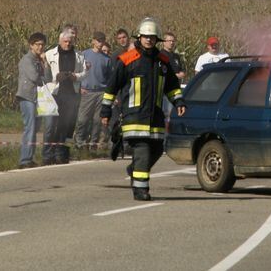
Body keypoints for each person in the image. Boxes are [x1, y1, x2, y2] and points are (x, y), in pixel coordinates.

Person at [101, 18, 186, 201]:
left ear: (157, 40)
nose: (149, 40)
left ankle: (134, 169)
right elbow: (111, 87)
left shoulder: (163, 61)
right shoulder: (127, 60)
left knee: (156, 150)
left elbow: (171, 86)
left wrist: (179, 102)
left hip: (155, 117)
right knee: (143, 150)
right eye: (145, 37)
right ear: (139, 37)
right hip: (134, 116)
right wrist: (105, 111)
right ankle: (141, 190)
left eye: (152, 37)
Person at [43, 30, 88, 165]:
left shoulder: (79, 55)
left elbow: (85, 72)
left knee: (66, 125)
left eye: (70, 42)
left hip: (71, 93)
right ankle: (48, 154)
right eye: (65, 42)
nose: (68, 44)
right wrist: (55, 77)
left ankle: (62, 153)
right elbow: (44, 73)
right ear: (60, 41)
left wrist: (76, 77)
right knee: (52, 125)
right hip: (55, 93)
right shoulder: (49, 54)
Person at [74, 32, 112, 151]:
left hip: (101, 92)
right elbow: (77, 72)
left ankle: (93, 144)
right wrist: (79, 87)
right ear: (93, 41)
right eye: (98, 40)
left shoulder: (106, 59)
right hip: (87, 91)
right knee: (82, 119)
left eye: (102, 40)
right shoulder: (84, 54)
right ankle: (79, 142)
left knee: (97, 120)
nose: (100, 43)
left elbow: (109, 78)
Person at [16, 33, 47, 168]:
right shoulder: (27, 60)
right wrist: (43, 73)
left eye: (42, 44)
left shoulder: (38, 59)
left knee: (35, 128)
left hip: (37, 97)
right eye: (37, 44)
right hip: (27, 96)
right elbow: (35, 77)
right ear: (31, 45)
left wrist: (44, 62)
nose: (40, 47)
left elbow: (49, 76)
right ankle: (24, 159)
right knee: (30, 127)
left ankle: (30, 157)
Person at [160, 32, 187, 119]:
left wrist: (182, 73)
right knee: (167, 113)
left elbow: (181, 69)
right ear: (164, 42)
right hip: (166, 90)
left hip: (176, 88)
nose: (171, 43)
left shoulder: (176, 56)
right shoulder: (160, 55)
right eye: (169, 41)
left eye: (173, 41)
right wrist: (175, 75)